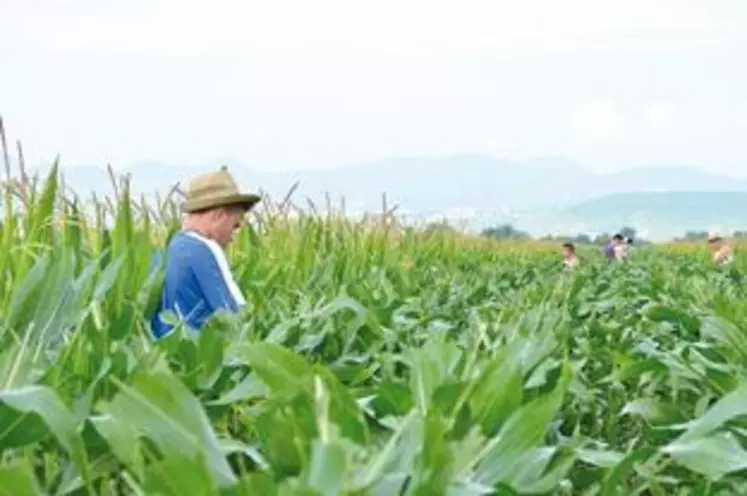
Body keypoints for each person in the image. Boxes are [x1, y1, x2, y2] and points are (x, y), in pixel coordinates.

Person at [150, 166, 261, 338]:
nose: (235, 232)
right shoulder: (206, 249)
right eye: (236, 224)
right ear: (218, 215)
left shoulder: (163, 252)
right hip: (198, 358)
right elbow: (237, 318)